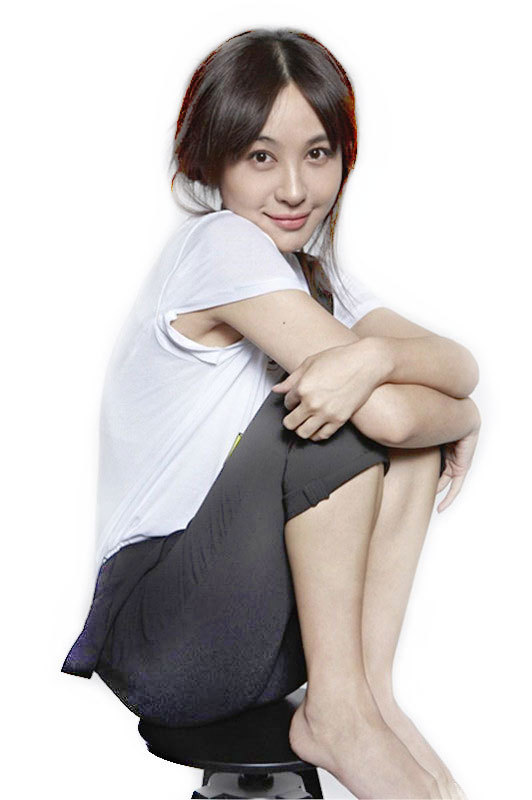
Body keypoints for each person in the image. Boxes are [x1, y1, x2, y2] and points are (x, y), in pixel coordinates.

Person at [61, 28, 480, 799]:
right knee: (326, 414)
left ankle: (363, 694)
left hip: (256, 630)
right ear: (211, 162)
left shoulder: (315, 276)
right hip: (165, 630)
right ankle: (343, 712)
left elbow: (458, 364)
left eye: (317, 154)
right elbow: (392, 416)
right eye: (261, 157)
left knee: (358, 400)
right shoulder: (221, 244)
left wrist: (397, 371)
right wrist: (432, 400)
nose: (294, 188)